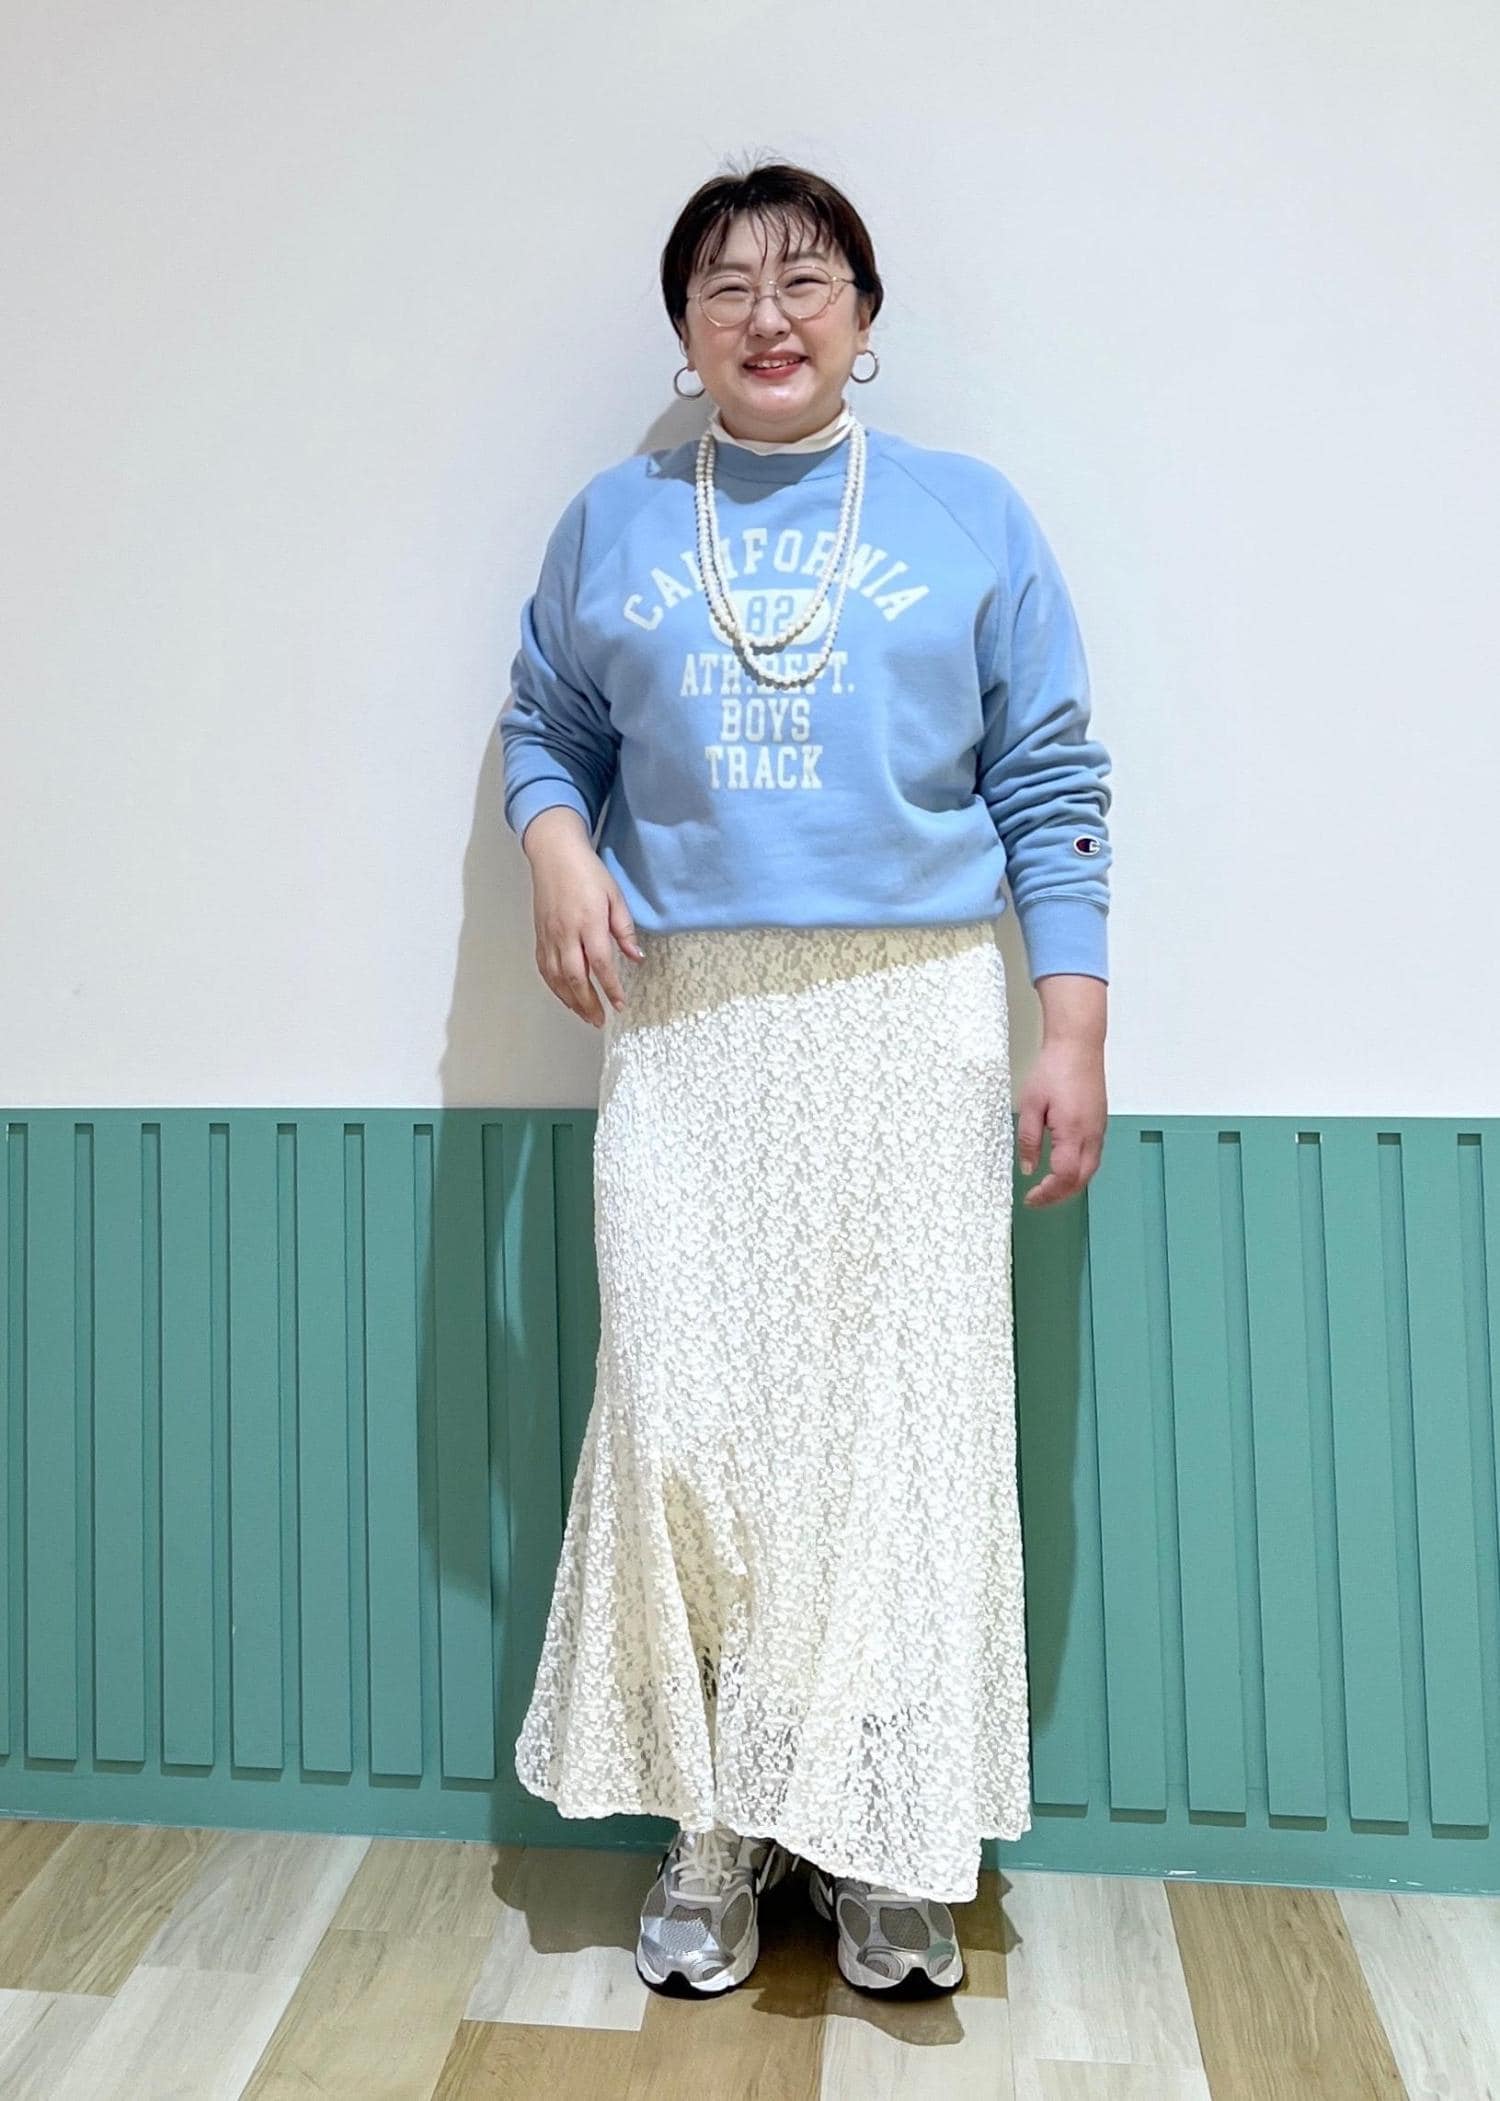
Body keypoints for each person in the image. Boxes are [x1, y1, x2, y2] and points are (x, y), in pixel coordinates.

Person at [497, 157, 1112, 2000]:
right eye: (728, 286)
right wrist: (556, 847)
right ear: (683, 333)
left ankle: (878, 1833)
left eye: (807, 278)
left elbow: (1051, 777)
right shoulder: (615, 521)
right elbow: (545, 723)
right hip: (687, 1018)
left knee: (889, 1436)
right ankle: (712, 1826)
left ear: (864, 313)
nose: (770, 314)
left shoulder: (967, 512)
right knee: (686, 1421)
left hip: (908, 1011)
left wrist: (1071, 1024)